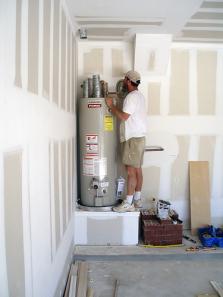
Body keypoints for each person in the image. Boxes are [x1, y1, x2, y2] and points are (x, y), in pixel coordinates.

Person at [106, 70, 147, 212]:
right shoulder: (140, 96)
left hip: (132, 139)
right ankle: (137, 199)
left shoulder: (131, 97)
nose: (123, 81)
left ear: (129, 81)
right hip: (140, 138)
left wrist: (111, 106)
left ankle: (128, 203)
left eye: (125, 79)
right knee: (137, 169)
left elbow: (124, 116)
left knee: (130, 171)